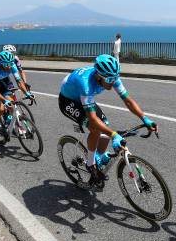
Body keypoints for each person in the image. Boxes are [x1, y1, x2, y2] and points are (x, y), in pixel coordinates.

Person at [58, 54, 157, 187]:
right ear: (99, 76)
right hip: (68, 101)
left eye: (115, 78)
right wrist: (114, 135)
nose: (113, 81)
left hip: (84, 98)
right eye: (110, 79)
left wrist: (145, 118)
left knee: (106, 126)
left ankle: (100, 156)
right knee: (95, 128)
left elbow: (128, 100)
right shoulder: (86, 83)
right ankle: (90, 164)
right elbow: (92, 119)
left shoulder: (110, 76)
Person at [0, 50, 33, 136]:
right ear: (0, 63)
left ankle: (8, 121)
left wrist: (27, 93)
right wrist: (4, 101)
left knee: (12, 106)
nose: (8, 67)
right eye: (6, 64)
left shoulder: (12, 66)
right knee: (1, 108)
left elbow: (19, 82)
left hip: (0, 82)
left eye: (10, 64)